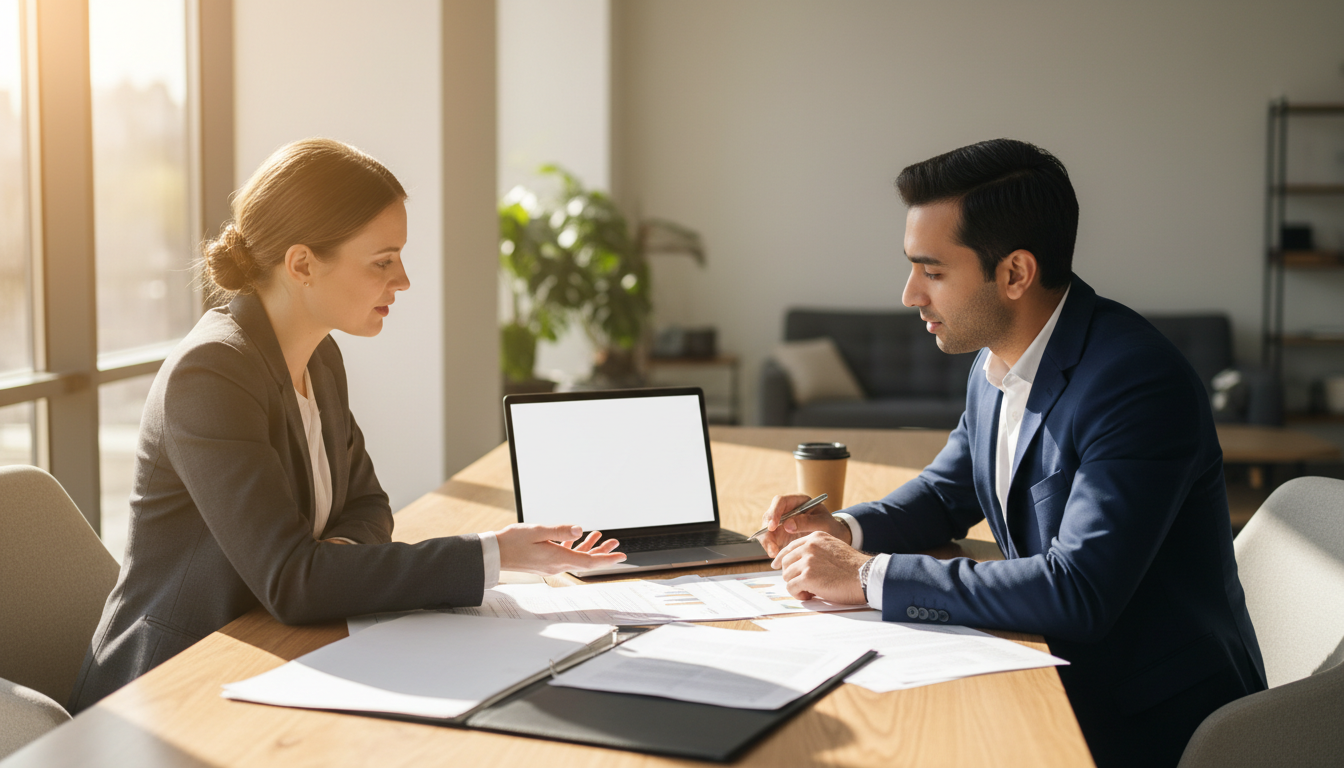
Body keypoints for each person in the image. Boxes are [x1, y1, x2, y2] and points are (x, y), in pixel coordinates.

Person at [68, 138, 625, 713]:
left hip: (275, 650)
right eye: (383, 261)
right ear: (302, 264)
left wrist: (330, 566)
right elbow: (292, 582)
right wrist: (495, 554)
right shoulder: (211, 373)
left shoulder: (320, 358)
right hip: (171, 685)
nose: (403, 280)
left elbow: (369, 506)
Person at [757, 139, 1265, 767]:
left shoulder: (1137, 383)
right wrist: (844, 526)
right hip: (1041, 663)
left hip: (1145, 718)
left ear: (1016, 273)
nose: (911, 293)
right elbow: (947, 493)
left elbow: (1077, 589)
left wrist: (864, 575)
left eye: (933, 271)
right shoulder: (995, 358)